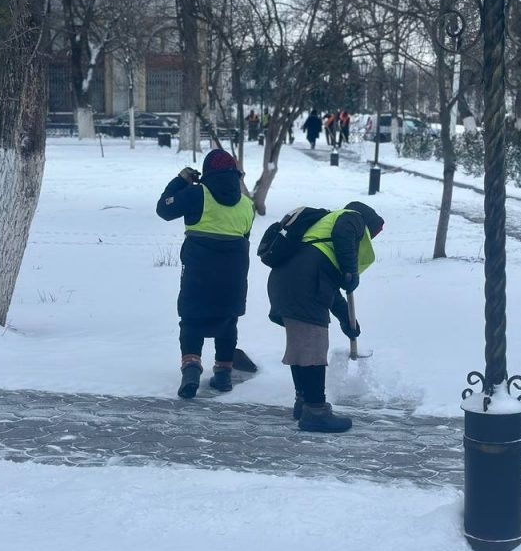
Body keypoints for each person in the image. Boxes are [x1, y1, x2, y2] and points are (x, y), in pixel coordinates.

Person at [267, 201, 384, 433]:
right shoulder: (352, 217)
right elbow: (345, 232)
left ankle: (303, 403)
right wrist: (350, 271)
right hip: (303, 286)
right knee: (312, 348)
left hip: (288, 282)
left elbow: (329, 285)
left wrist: (346, 319)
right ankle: (316, 411)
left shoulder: (318, 238)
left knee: (301, 348)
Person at [156, 149, 255, 399]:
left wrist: (181, 180)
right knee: (228, 319)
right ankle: (223, 375)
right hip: (234, 276)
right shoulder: (247, 204)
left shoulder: (197, 194)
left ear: (207, 173)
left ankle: (191, 370)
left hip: (198, 273)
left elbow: (164, 209)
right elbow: (245, 237)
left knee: (192, 319)